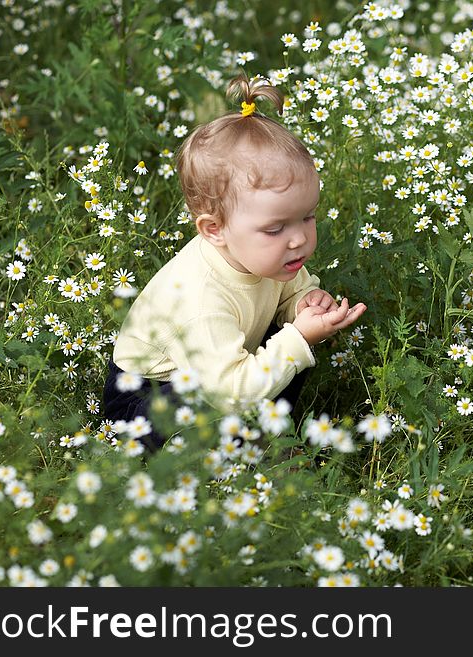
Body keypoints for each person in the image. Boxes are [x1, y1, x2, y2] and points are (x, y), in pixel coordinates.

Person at [102, 73, 367, 450]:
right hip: (148, 398)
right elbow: (228, 394)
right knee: (285, 352)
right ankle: (239, 452)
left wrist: (304, 305)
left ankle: (263, 434)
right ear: (215, 230)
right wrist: (298, 336)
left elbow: (292, 289)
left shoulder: (273, 258)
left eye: (307, 217)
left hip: (220, 371)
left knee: (291, 345)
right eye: (275, 228)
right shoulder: (200, 298)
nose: (299, 239)